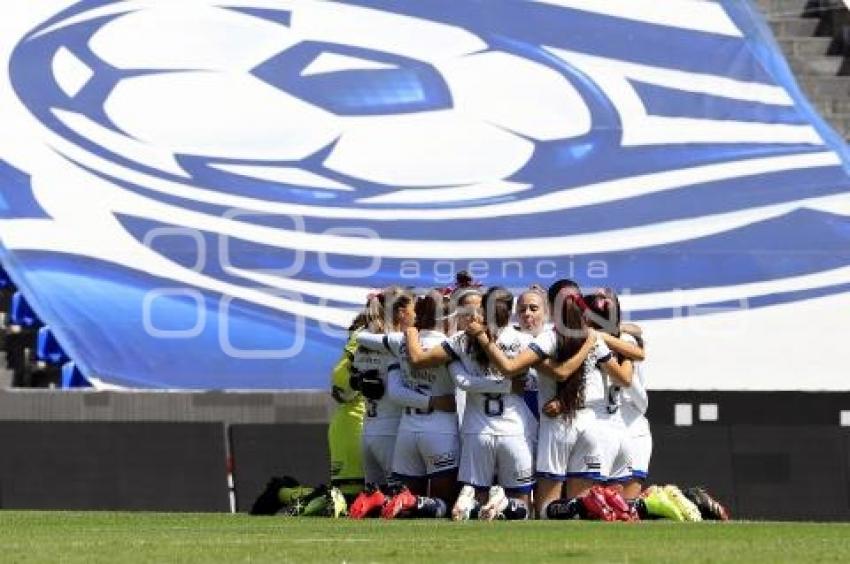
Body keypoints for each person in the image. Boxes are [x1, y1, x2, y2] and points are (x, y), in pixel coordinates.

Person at [466, 289, 634, 520]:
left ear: (553, 313)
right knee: (580, 509)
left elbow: (510, 368)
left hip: (558, 426)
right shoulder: (593, 338)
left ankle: (505, 507)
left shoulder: (549, 338)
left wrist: (484, 340)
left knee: (546, 510)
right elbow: (624, 379)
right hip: (591, 424)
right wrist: (604, 340)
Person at [434, 287, 537, 521]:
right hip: (513, 430)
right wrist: (508, 385)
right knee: (521, 507)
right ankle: (502, 503)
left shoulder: (463, 340)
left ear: (483, 308)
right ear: (511, 311)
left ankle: (470, 501)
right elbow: (532, 382)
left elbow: (462, 381)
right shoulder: (524, 340)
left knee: (475, 498)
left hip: (476, 431)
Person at [357, 290, 459, 519]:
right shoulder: (452, 344)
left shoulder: (399, 341)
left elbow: (361, 338)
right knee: (447, 506)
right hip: (440, 429)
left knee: (406, 511)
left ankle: (381, 500)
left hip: (407, 430)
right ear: (448, 318)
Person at [347, 288, 410, 518]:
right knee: (397, 502)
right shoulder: (393, 342)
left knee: (372, 503)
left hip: (368, 430)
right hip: (390, 430)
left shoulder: (362, 343)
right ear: (401, 312)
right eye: (412, 308)